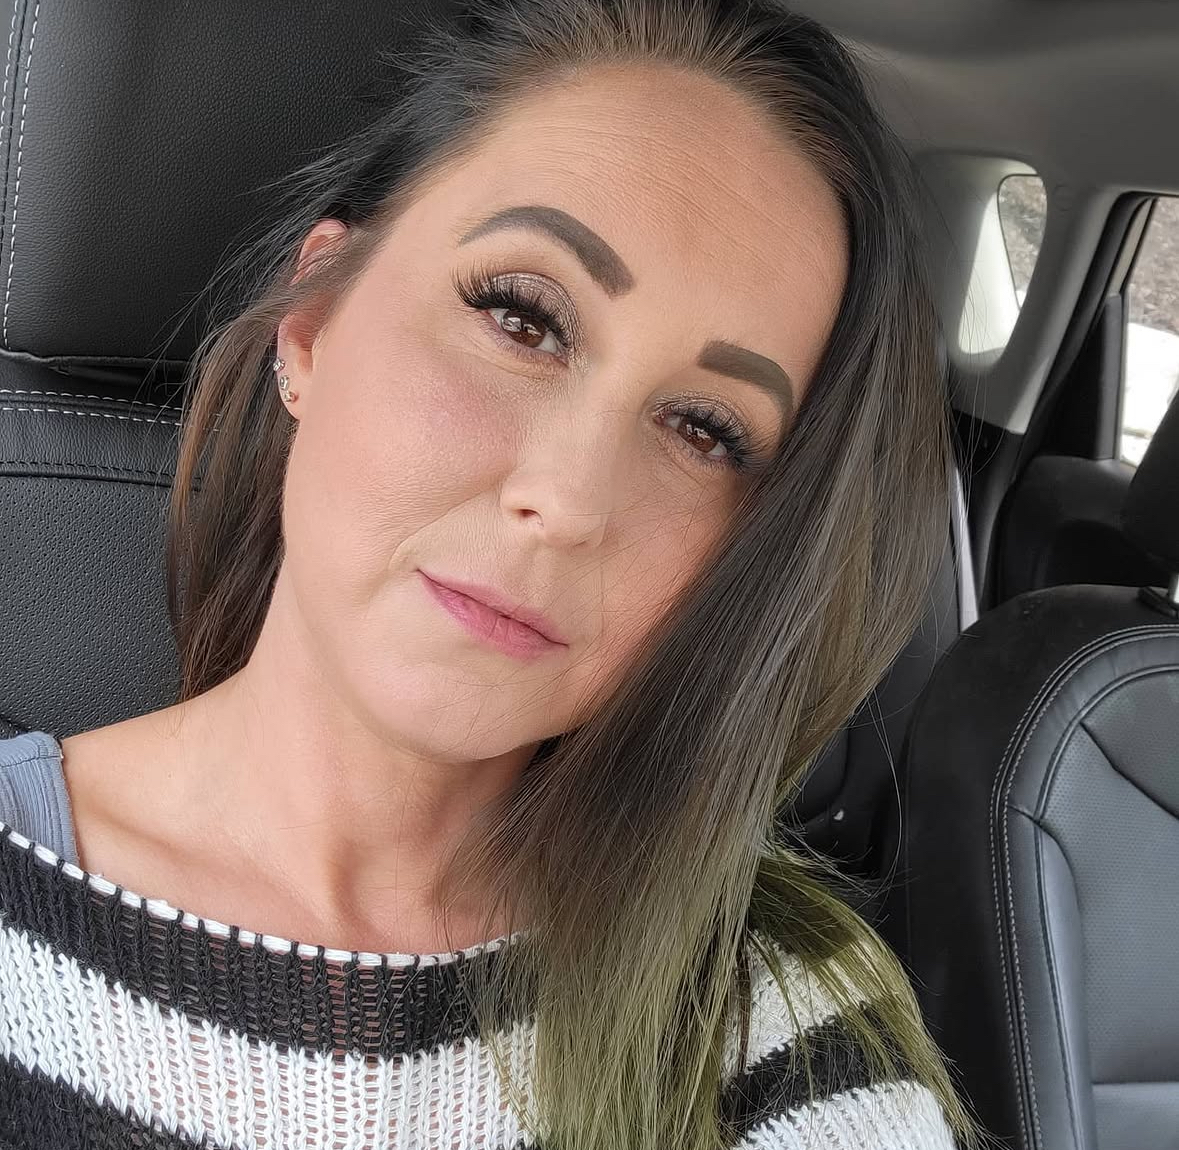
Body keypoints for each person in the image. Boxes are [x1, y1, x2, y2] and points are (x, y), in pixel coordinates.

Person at [0, 0, 981, 1147]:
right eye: (522, 319)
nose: (567, 502)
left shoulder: (771, 1014)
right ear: (313, 321)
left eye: (704, 429)